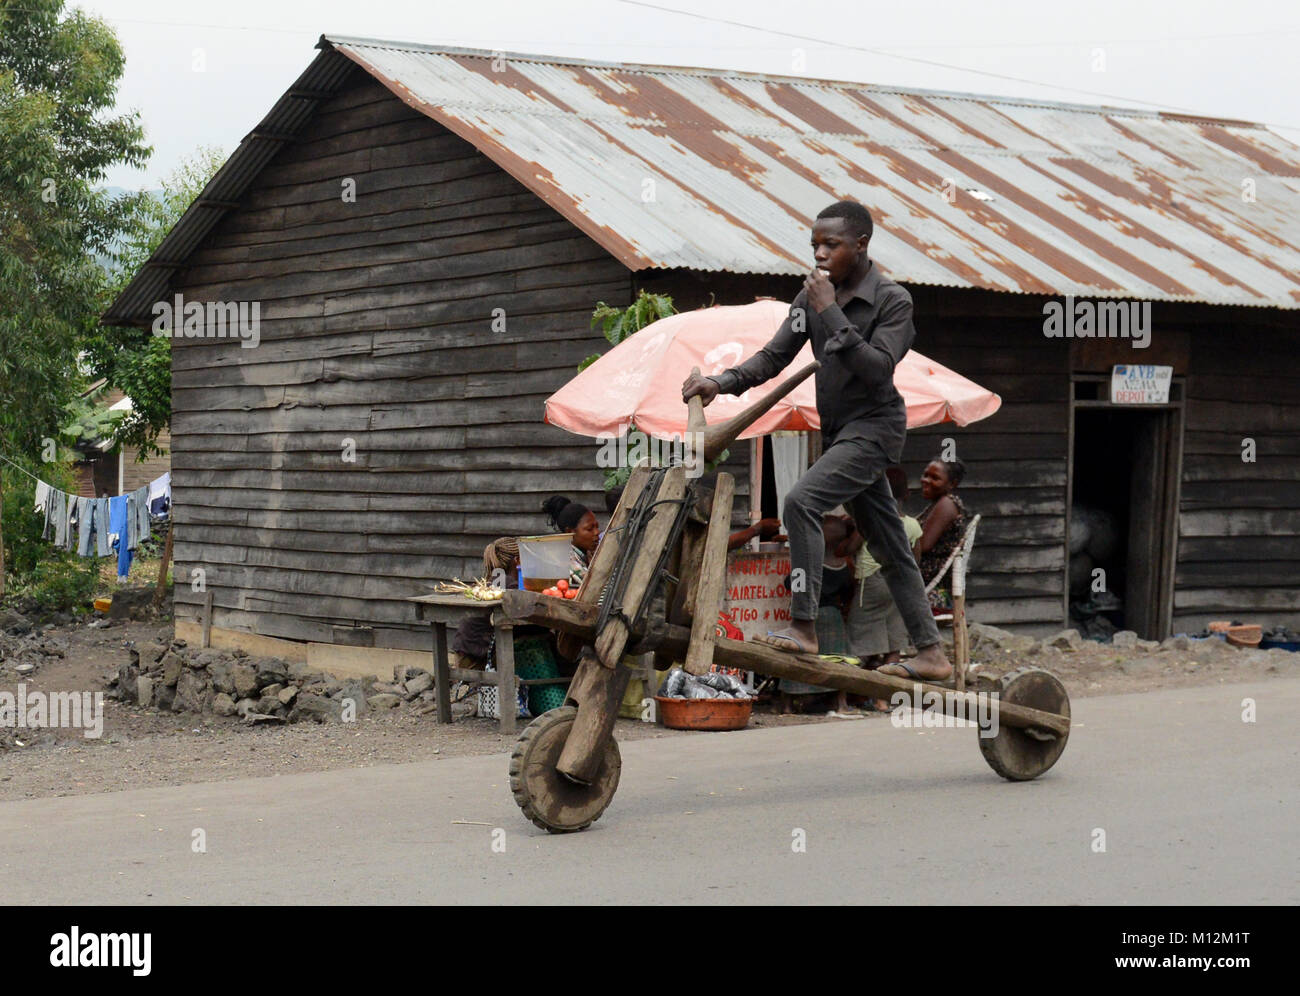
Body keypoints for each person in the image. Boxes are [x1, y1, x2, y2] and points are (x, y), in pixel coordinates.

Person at [682, 199, 951, 682]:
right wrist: (719, 383)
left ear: (862, 244)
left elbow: (877, 369)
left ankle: (803, 625)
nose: (820, 254)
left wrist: (831, 312)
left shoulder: (893, 301)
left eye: (832, 244)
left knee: (801, 502)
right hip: (841, 434)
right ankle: (932, 652)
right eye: (815, 245)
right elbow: (772, 358)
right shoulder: (809, 298)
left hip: (874, 429)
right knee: (891, 547)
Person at [847, 466, 921, 669]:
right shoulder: (913, 525)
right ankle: (884, 697)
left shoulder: (873, 520)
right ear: (907, 494)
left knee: (859, 635)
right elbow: (915, 560)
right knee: (893, 643)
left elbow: (850, 547)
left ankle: (852, 688)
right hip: (900, 585)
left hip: (872, 581)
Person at [915, 458, 969, 611]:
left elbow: (923, 545)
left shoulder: (946, 504)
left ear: (952, 484)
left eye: (935, 478)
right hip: (926, 583)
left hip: (935, 593)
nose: (926, 480)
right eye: (925, 475)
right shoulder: (938, 502)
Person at [541, 495, 601, 587]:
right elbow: (594, 587)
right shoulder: (567, 559)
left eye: (597, 527)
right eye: (590, 529)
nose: (597, 532)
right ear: (569, 532)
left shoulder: (586, 554)